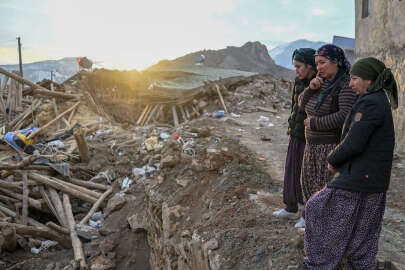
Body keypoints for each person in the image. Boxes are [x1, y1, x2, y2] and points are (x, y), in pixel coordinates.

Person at [289, 57, 398, 270]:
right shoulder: (377, 99)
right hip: (371, 180)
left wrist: (333, 159)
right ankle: (357, 266)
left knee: (317, 208)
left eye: (355, 78)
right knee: (362, 231)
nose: (350, 83)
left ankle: (318, 265)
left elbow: (354, 141)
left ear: (369, 79)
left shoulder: (370, 103)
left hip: (359, 178)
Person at [295, 44, 357, 228]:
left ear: (336, 62)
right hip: (312, 144)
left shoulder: (345, 85)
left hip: (330, 146)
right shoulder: (321, 82)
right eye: (316, 63)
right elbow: (302, 105)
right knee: (309, 183)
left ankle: (323, 225)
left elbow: (344, 115)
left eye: (322, 63)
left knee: (324, 187)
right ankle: (310, 216)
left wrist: (315, 123)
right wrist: (310, 89)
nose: (319, 67)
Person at [273, 48, 316, 219]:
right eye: (295, 67)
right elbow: (294, 108)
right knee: (291, 170)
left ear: (310, 66)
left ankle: (308, 214)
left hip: (312, 138)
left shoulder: (320, 84)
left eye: (299, 66)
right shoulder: (299, 82)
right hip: (296, 133)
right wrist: (292, 125)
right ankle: (290, 207)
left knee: (309, 176)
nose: (296, 70)